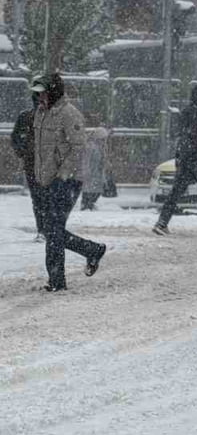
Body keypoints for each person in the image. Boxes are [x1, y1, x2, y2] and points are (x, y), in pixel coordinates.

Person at [30, 73, 108, 292]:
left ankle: (58, 278)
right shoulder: (41, 113)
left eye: (44, 92)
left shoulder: (69, 114)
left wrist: (63, 175)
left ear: (53, 91)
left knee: (53, 230)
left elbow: (78, 148)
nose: (41, 97)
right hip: (47, 180)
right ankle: (87, 254)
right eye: (38, 93)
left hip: (67, 181)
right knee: (51, 230)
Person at [154, 84, 197, 235]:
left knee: (176, 192)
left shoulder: (187, 111)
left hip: (185, 157)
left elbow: (188, 133)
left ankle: (162, 222)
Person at [10, 88, 43, 238]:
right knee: (41, 197)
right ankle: (45, 229)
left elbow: (15, 138)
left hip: (39, 162)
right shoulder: (27, 117)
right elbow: (15, 137)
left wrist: (22, 151)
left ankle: (44, 229)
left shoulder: (27, 117)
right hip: (36, 162)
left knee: (39, 198)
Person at [78, 126, 110, 211]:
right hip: (91, 172)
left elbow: (102, 160)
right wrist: (86, 171)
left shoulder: (101, 147)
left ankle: (90, 204)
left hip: (97, 173)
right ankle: (86, 205)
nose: (104, 140)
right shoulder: (90, 146)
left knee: (97, 190)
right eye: (103, 138)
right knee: (89, 190)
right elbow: (85, 160)